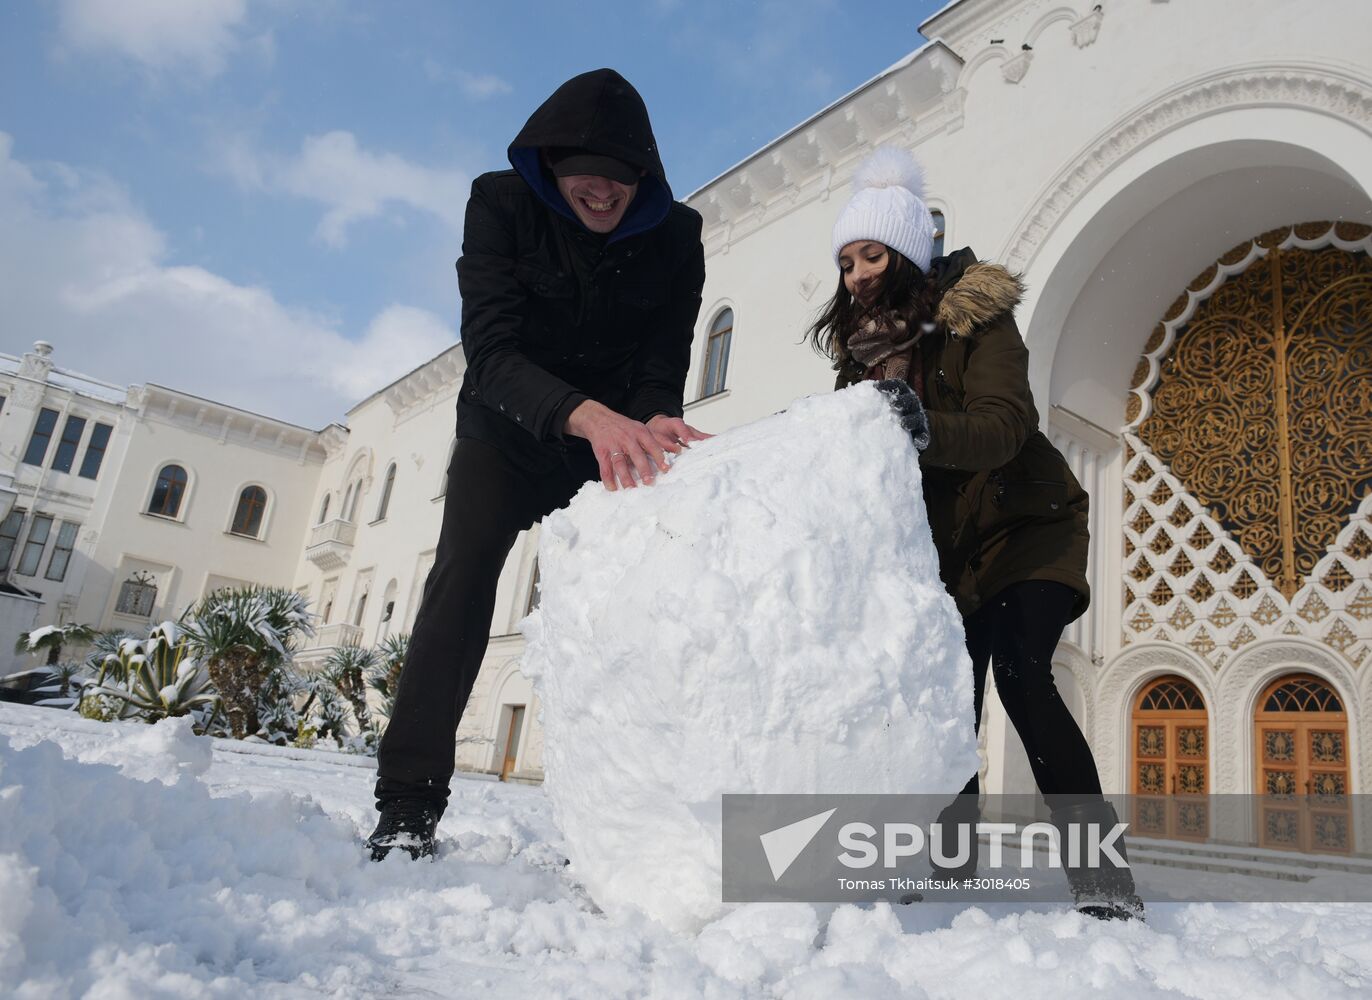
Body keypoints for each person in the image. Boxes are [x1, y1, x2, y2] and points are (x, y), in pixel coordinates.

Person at [368, 69, 708, 861]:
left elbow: (666, 355)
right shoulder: (499, 204)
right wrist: (583, 414)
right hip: (507, 428)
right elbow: (489, 351)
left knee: (642, 599)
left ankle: (630, 815)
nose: (604, 192)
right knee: (461, 578)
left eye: (623, 178)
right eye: (588, 174)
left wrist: (658, 415)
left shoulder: (677, 235)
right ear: (549, 164)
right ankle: (408, 802)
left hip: (616, 440)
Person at [808, 147, 1143, 920]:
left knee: (1024, 678)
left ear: (907, 249)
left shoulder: (975, 315)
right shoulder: (856, 362)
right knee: (946, 704)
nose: (857, 273)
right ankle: (951, 875)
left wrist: (925, 427)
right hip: (946, 553)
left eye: (871, 254)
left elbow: (1004, 425)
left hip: (1029, 526)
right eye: (846, 260)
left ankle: (1106, 885)